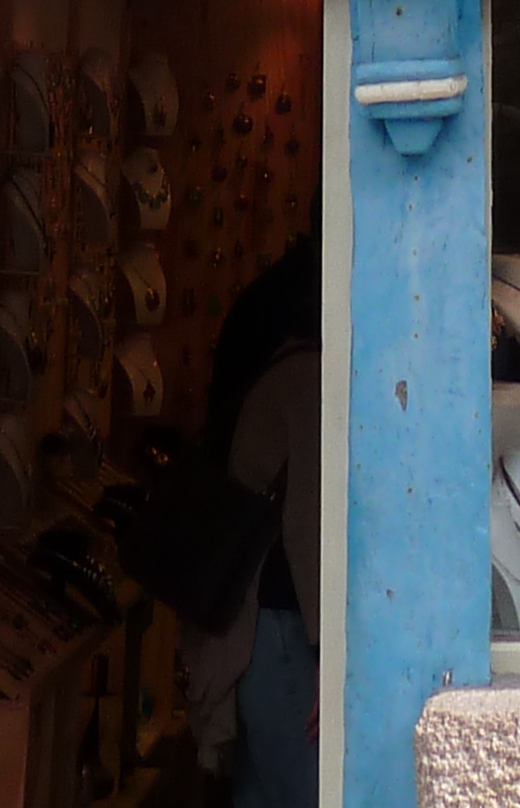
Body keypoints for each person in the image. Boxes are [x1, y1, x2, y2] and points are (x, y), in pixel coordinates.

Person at [178, 235, 319, 803]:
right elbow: (308, 530)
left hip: (251, 630)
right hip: (281, 629)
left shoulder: (281, 365)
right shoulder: (309, 379)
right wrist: (333, 658)